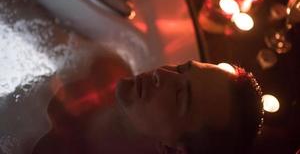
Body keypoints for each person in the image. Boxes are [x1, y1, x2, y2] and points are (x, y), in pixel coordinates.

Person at [32, 60, 263, 154]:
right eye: (181, 68)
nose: (161, 73)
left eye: (180, 94)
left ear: (172, 149)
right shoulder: (104, 64)